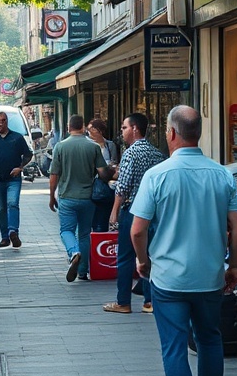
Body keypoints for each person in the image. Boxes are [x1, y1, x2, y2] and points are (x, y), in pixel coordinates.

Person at [130, 105, 237, 376]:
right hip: (209, 277)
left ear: (171, 133)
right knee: (209, 340)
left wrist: (143, 262)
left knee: (174, 348)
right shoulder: (222, 175)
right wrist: (233, 266)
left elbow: (137, 231)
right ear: (199, 134)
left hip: (168, 280)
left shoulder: (156, 176)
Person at [104, 112, 165, 314]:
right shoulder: (157, 153)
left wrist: (114, 211)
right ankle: (149, 301)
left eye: (124, 128)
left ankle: (123, 301)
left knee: (125, 257)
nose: (122, 132)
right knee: (149, 254)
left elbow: (123, 185)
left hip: (132, 210)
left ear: (135, 129)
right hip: (153, 211)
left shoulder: (131, 153)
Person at [48, 114, 112, 282]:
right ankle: (83, 271)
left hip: (67, 197)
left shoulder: (60, 147)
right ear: (83, 127)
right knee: (84, 233)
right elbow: (102, 173)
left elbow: (54, 175)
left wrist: (51, 197)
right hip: (88, 198)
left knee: (66, 230)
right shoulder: (93, 147)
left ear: (69, 127)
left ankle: (73, 252)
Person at [0, 110, 33, 248]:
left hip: (13, 179)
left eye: (3, 121)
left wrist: (20, 167)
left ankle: (13, 231)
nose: (0, 123)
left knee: (12, 203)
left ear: (7, 121)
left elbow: (28, 155)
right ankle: (4, 237)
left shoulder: (16, 138)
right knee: (1, 209)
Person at [87, 118, 118, 233]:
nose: (89, 133)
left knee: (103, 215)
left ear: (100, 131)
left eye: (92, 130)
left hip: (107, 183)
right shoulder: (88, 145)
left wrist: (111, 167)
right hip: (93, 182)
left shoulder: (110, 145)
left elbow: (114, 161)